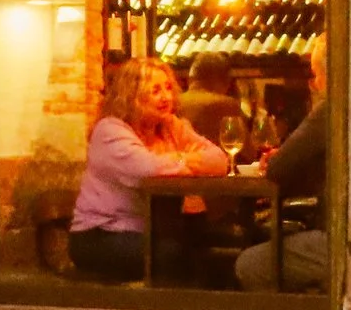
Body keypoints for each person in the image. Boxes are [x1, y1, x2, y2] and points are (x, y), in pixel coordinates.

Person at [68, 58, 231, 283]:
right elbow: (147, 171)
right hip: (101, 234)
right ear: (131, 96)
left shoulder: (171, 126)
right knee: (173, 255)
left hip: (155, 227)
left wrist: (177, 159)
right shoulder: (110, 131)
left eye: (167, 88)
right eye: (155, 90)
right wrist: (187, 161)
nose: (166, 97)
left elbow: (219, 160)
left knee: (207, 243)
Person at [236, 37, 331, 293]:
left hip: (338, 241)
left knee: (249, 264)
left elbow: (278, 168)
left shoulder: (330, 110)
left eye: (315, 75)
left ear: (326, 74)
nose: (315, 84)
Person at [176, 52, 249, 156]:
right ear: (225, 81)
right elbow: (249, 154)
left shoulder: (173, 102)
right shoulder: (226, 105)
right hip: (216, 169)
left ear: (190, 78)